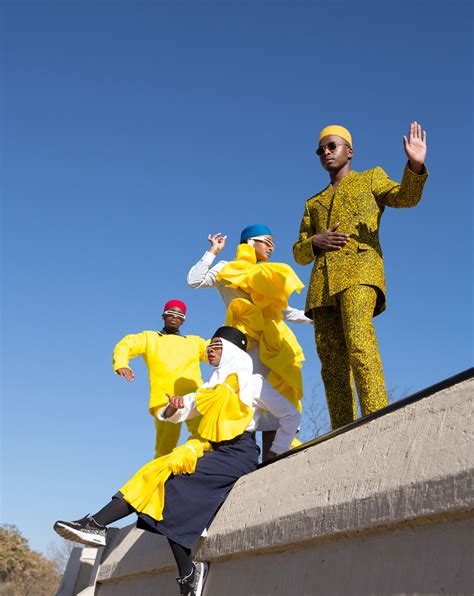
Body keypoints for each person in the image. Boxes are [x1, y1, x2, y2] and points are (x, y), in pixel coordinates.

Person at [54, 326, 298, 596]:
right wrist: (174, 407)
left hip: (238, 454)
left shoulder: (252, 382)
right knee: (154, 471)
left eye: (216, 346)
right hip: (210, 450)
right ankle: (96, 525)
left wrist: (276, 452)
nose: (210, 350)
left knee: (170, 493)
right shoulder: (209, 386)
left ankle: (186, 573)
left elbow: (290, 415)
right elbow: (178, 414)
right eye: (210, 346)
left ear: (231, 351)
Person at [293, 122, 428, 430]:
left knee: (359, 341)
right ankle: (341, 431)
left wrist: (415, 166)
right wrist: (315, 241)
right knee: (331, 364)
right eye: (321, 149)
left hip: (360, 272)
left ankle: (378, 418)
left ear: (349, 151)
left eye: (332, 146)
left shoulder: (370, 178)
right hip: (322, 288)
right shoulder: (313, 203)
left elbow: (405, 197)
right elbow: (299, 253)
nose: (326, 153)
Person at [187, 224, 312, 458]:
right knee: (243, 406)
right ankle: (241, 465)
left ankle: (273, 467)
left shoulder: (268, 276)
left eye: (273, 243)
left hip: (274, 350)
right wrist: (213, 251)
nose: (271, 247)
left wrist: (314, 316)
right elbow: (194, 280)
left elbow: (284, 312)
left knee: (275, 411)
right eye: (267, 241)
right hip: (242, 351)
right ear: (250, 242)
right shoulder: (227, 269)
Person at [113, 299, 208, 457]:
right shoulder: (149, 338)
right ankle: (160, 479)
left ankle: (198, 469)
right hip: (164, 400)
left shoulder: (194, 342)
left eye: (179, 314)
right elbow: (126, 344)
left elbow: (219, 348)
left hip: (193, 398)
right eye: (171, 313)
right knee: (164, 447)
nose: (174, 317)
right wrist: (122, 363)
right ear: (163, 316)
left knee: (204, 435)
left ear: (183, 320)